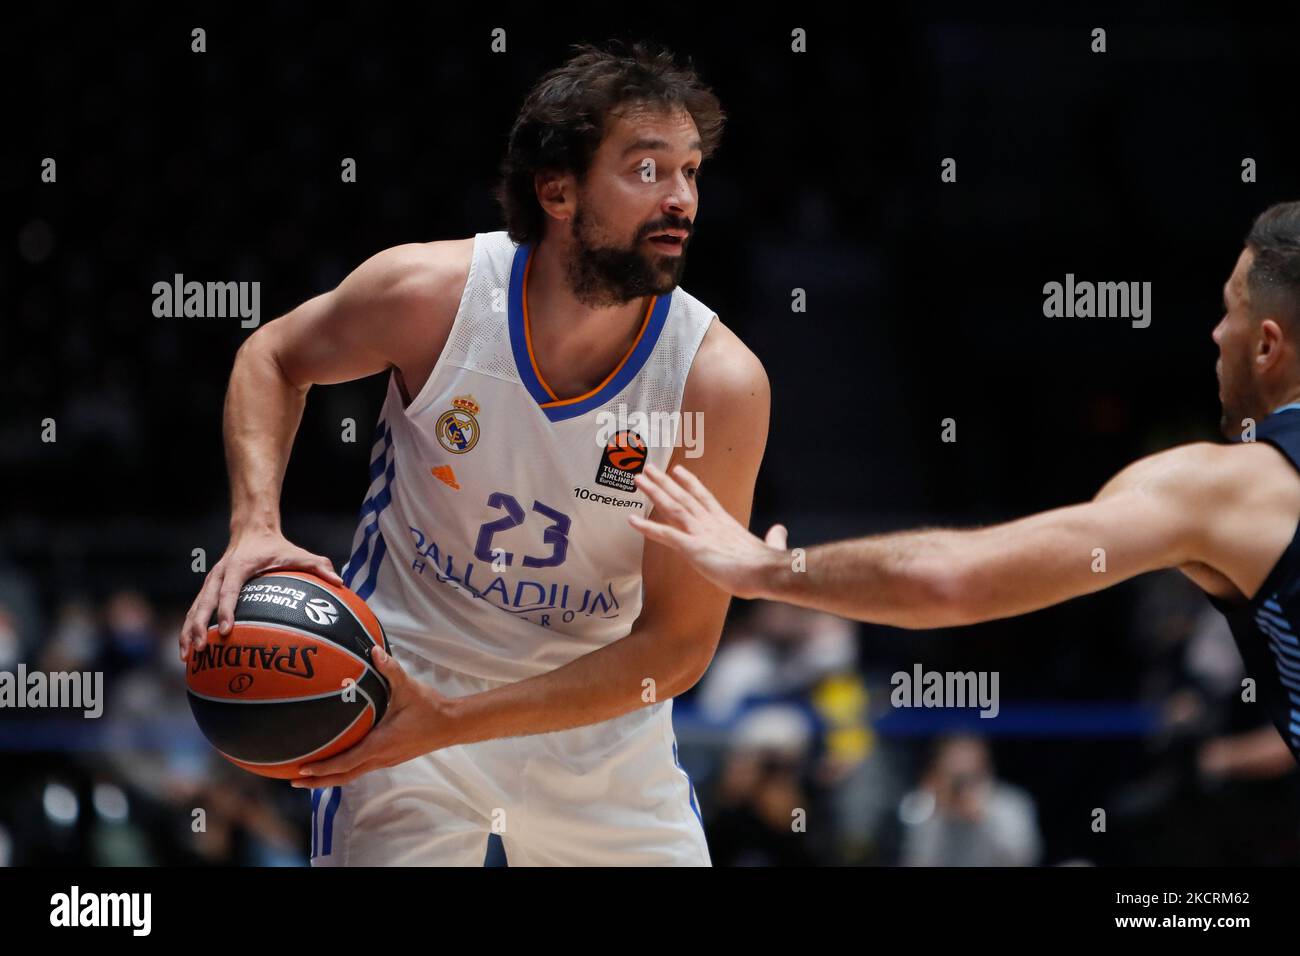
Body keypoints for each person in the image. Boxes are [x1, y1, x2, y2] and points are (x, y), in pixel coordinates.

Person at [179, 41, 770, 866]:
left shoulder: (714, 383)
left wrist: (465, 720)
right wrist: (253, 527)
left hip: (595, 726)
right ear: (557, 188)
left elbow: (678, 643)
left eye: (692, 172)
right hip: (401, 684)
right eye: (647, 170)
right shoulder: (432, 297)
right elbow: (274, 356)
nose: (682, 200)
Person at [630, 200, 1300, 767]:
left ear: (1267, 345)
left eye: (1228, 312)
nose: (1215, 334)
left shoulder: (1223, 489)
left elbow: (954, 579)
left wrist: (771, 568)